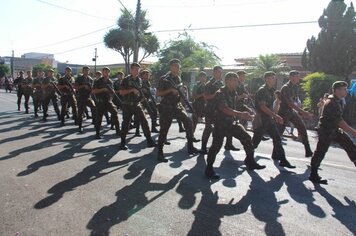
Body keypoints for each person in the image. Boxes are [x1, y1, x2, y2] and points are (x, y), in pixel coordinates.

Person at [205, 72, 266, 179]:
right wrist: (241, 114)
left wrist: (246, 111)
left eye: (237, 80)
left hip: (231, 122)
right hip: (221, 123)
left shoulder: (234, 92)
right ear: (227, 81)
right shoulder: (221, 93)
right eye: (234, 80)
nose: (236, 82)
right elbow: (224, 108)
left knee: (246, 137)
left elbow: (235, 106)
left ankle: (250, 161)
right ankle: (209, 169)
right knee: (216, 147)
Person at [309, 81, 356, 184]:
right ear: (337, 90)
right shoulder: (332, 102)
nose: (346, 90)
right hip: (326, 130)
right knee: (321, 151)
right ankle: (313, 174)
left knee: (350, 145)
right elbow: (339, 121)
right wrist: (353, 131)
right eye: (344, 89)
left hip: (334, 129)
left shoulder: (338, 100)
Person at [156, 59, 199, 162]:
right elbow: (158, 93)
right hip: (167, 106)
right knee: (164, 130)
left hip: (177, 105)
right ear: (171, 67)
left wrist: (182, 90)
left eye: (178, 66)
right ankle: (160, 153)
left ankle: (190, 146)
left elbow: (178, 91)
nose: (177, 68)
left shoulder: (178, 78)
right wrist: (170, 90)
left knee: (188, 122)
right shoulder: (164, 79)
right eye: (175, 66)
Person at [252, 71, 296, 169]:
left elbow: (272, 106)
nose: (274, 79)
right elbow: (262, 107)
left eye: (274, 78)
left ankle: (283, 160)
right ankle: (249, 159)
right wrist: (275, 116)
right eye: (272, 78)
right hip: (261, 120)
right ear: (266, 79)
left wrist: (274, 116)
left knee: (277, 138)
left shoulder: (271, 90)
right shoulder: (262, 90)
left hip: (268, 119)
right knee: (255, 142)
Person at [200, 66, 239, 154]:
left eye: (221, 72)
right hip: (210, 109)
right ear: (213, 73)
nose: (220, 74)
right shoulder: (209, 84)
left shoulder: (222, 83)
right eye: (218, 72)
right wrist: (215, 95)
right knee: (208, 128)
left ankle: (228, 144)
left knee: (229, 125)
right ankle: (203, 147)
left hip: (221, 110)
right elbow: (206, 97)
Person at [119, 63, 156, 150]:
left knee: (144, 122)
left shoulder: (140, 80)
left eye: (138, 69)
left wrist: (142, 97)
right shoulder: (126, 80)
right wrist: (131, 90)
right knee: (126, 124)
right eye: (134, 69)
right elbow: (121, 92)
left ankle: (149, 141)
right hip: (127, 105)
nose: (136, 71)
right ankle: (122, 143)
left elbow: (140, 92)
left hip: (137, 105)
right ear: (131, 70)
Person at [278, 70, 314, 157]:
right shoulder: (286, 87)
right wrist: (303, 112)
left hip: (291, 111)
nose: (298, 78)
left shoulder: (295, 87)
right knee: (278, 134)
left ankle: (308, 150)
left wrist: (301, 111)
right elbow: (290, 103)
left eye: (298, 76)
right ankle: (275, 153)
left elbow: (295, 101)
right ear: (291, 77)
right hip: (283, 112)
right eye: (296, 76)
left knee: (302, 127)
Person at [92, 67, 121, 139]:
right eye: (105, 71)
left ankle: (118, 131)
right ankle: (97, 134)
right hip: (100, 102)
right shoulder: (98, 81)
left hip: (108, 102)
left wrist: (111, 97)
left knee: (114, 113)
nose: (106, 73)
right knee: (99, 118)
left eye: (108, 72)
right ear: (102, 72)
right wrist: (103, 89)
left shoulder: (110, 81)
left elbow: (112, 92)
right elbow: (93, 91)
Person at [75, 66, 97, 133]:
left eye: (87, 70)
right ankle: (80, 126)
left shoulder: (90, 79)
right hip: (81, 97)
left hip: (88, 97)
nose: (86, 71)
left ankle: (94, 121)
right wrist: (83, 86)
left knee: (94, 108)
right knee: (80, 112)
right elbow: (75, 87)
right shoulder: (79, 78)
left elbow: (92, 88)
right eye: (85, 70)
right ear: (83, 71)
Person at [141, 69, 159, 133]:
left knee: (154, 111)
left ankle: (153, 127)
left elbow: (149, 91)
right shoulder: (141, 81)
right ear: (142, 75)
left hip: (148, 100)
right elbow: (139, 90)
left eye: (148, 75)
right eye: (146, 74)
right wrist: (143, 90)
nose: (147, 76)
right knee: (139, 115)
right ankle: (137, 130)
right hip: (141, 100)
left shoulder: (148, 82)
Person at [191, 71, 207, 136]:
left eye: (204, 77)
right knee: (194, 122)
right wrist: (202, 95)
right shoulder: (196, 86)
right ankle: (191, 136)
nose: (203, 78)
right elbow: (193, 96)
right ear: (199, 77)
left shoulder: (207, 85)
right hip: (197, 104)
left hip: (204, 105)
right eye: (201, 77)